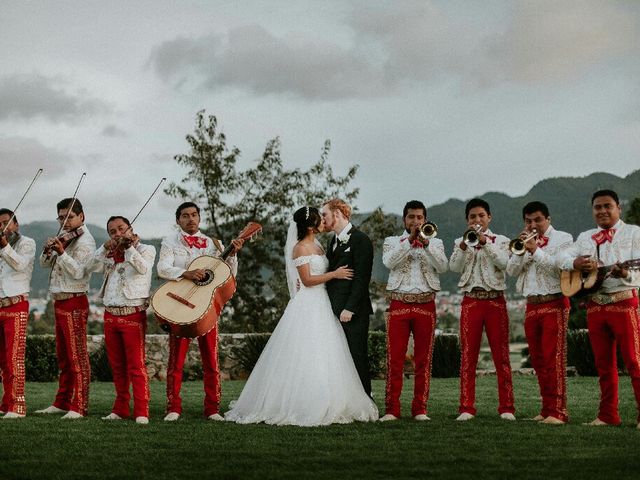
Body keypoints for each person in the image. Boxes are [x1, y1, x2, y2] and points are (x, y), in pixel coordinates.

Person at [225, 207, 378, 426]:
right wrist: (334, 274)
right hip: (308, 303)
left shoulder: (318, 245)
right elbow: (306, 280)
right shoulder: (300, 248)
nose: (323, 223)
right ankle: (301, 402)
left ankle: (333, 398)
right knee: (307, 352)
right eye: (319, 220)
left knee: (327, 352)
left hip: (323, 303)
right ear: (310, 226)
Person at [558, 190, 640, 428]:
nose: (602, 211)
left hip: (624, 302)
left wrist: (626, 273)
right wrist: (574, 263)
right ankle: (607, 415)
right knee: (603, 366)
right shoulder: (585, 237)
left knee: (635, 361)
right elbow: (561, 257)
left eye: (607, 206)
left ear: (618, 208)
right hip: (595, 306)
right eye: (597, 207)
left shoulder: (635, 233)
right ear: (592, 210)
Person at [157, 202, 242, 421]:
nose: (190, 219)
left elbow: (228, 274)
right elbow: (162, 268)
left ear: (199, 217)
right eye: (185, 216)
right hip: (180, 307)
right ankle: (173, 408)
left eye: (194, 215)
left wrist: (232, 254)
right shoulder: (169, 241)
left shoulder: (213, 243)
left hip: (207, 308)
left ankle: (212, 409)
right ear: (178, 220)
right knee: (175, 363)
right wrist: (187, 272)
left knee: (211, 363)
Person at [380, 200, 448, 422]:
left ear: (425, 220)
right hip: (399, 302)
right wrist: (409, 241)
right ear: (404, 220)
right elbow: (389, 262)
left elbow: (443, 267)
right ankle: (392, 409)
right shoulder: (392, 241)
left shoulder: (435, 242)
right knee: (395, 359)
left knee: (423, 359)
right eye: (412, 217)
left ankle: (420, 409)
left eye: (420, 218)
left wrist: (426, 244)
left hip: (426, 303)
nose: (416, 222)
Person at [506, 201, 573, 424]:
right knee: (538, 361)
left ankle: (559, 412)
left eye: (537, 220)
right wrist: (523, 252)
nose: (532, 224)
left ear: (548, 219)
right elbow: (511, 270)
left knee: (554, 359)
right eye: (528, 221)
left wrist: (536, 249)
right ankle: (546, 409)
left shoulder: (563, 239)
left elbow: (558, 268)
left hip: (554, 302)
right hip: (531, 304)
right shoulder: (525, 242)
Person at [449, 198, 515, 421]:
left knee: (501, 356)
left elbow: (505, 264)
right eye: (472, 217)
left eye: (481, 216)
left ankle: (507, 407)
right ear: (467, 220)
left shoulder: (502, 240)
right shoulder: (462, 241)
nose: (477, 220)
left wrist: (485, 242)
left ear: (489, 218)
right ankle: (466, 407)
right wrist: (464, 245)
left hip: (495, 301)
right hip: (471, 301)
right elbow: (454, 267)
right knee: (468, 356)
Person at [36, 198, 96, 419]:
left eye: (69, 217)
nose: (65, 222)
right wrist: (47, 251)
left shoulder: (86, 241)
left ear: (82, 216)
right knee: (63, 356)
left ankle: (79, 406)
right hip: (59, 300)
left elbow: (79, 273)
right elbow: (44, 264)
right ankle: (62, 402)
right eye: (61, 217)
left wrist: (62, 253)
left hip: (74, 300)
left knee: (77, 356)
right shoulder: (65, 238)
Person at [92, 216, 156, 425]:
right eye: (112, 231)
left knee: (136, 366)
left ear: (131, 229)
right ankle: (120, 408)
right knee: (117, 366)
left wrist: (128, 248)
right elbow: (91, 265)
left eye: (121, 229)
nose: (118, 233)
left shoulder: (146, 249)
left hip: (133, 313)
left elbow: (143, 268)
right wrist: (104, 247)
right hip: (110, 314)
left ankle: (141, 410)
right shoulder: (110, 254)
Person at [321, 199, 374, 396]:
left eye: (325, 214)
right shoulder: (332, 241)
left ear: (336, 214)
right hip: (333, 309)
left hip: (353, 312)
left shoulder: (361, 240)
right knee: (338, 358)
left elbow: (362, 278)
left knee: (357, 356)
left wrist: (349, 308)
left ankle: (366, 401)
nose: (322, 219)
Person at [0, 209, 36, 419]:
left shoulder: (27, 243)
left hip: (16, 304)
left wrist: (4, 247)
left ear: (16, 224)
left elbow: (21, 265)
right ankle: (6, 403)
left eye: (6, 223)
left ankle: (18, 406)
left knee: (14, 358)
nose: (3, 228)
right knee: (3, 361)